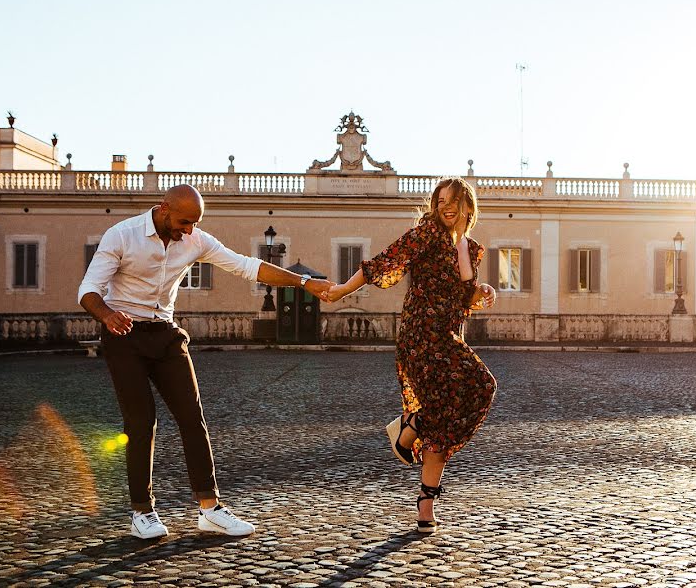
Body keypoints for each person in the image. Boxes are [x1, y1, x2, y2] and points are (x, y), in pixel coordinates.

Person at [78, 184, 333, 539]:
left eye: (194, 224)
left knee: (192, 418)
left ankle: (210, 508)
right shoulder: (122, 235)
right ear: (163, 208)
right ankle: (142, 512)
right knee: (141, 422)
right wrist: (106, 315)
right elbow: (88, 290)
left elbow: (247, 267)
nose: (189, 230)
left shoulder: (194, 239)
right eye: (184, 222)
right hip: (124, 335)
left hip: (165, 332)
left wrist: (304, 282)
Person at [327, 176, 498, 533]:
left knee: (464, 400)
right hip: (421, 334)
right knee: (472, 388)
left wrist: (481, 291)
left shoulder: (471, 248)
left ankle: (425, 496)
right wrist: (343, 289)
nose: (446, 207)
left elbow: (462, 296)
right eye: (440, 201)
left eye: (453, 201)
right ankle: (413, 428)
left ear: (468, 205)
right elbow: (382, 262)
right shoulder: (426, 235)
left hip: (448, 335)